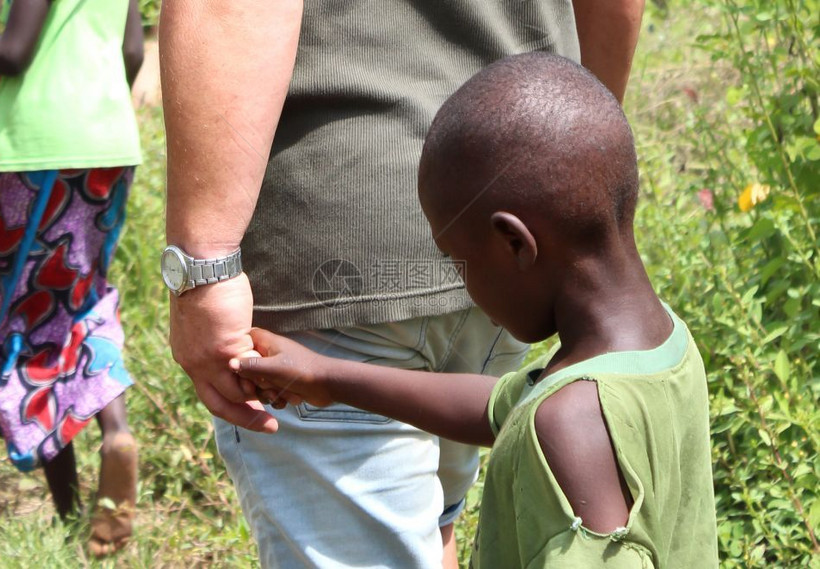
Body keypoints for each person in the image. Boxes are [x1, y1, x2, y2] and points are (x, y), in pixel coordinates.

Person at [159, 1, 643, 567]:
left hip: (338, 244)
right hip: (509, 247)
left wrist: (202, 265)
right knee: (433, 526)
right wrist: (570, 176)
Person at [234, 52, 719, 568]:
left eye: (456, 261)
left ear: (514, 243)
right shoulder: (660, 345)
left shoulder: (570, 425)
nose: (461, 282)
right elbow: (503, 406)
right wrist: (327, 377)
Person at [0, 0, 144, 556]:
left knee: (27, 320)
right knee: (83, 300)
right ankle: (117, 432)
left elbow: (14, 53)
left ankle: (67, 515)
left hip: (41, 154)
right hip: (109, 144)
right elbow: (132, 51)